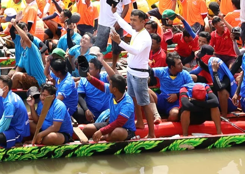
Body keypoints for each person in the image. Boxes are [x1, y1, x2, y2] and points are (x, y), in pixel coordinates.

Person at [111, 9, 155, 138]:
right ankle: (140, 122)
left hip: (140, 75)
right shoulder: (136, 31)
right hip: (130, 71)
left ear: (143, 22)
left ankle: (152, 134)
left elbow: (135, 51)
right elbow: (124, 25)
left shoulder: (145, 37)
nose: (132, 23)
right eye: (131, 20)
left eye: (135, 20)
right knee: (133, 99)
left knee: (144, 104)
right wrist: (115, 13)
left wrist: (119, 42)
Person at [78, 74, 135, 143]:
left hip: (125, 129)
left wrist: (101, 131)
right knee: (87, 129)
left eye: (110, 84)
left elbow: (118, 123)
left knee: (116, 133)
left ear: (115, 89)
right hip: (111, 123)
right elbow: (100, 85)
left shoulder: (127, 104)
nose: (108, 85)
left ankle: (103, 138)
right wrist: (90, 78)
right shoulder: (113, 91)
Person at [0, 74, 30, 148]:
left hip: (19, 132)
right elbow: (4, 118)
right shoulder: (8, 96)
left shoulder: (9, 103)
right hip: (13, 126)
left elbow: (5, 124)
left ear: (5, 88)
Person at [152, 53, 195, 122]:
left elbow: (192, 89)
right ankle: (156, 115)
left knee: (174, 115)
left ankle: (164, 123)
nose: (182, 65)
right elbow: (149, 71)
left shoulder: (185, 74)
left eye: (181, 63)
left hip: (176, 103)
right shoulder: (162, 71)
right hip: (162, 99)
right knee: (147, 92)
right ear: (172, 67)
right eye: (179, 64)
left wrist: (177, 95)